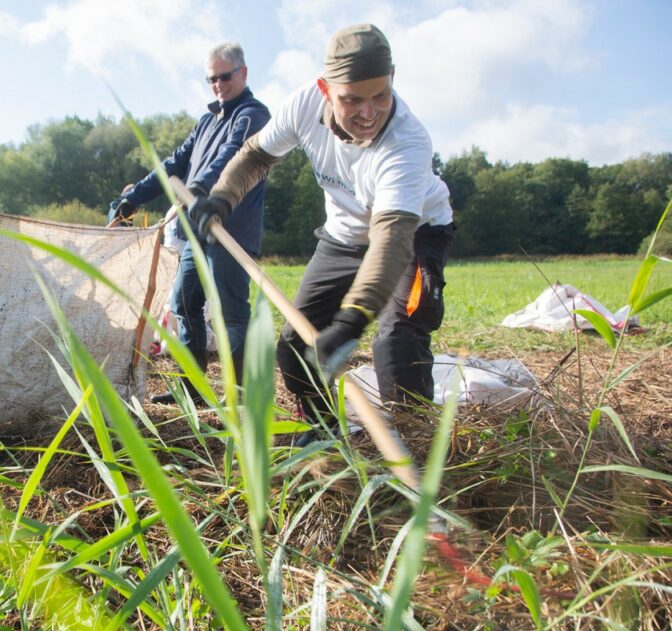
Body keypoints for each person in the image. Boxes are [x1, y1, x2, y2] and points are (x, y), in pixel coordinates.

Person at [190, 24, 455, 436]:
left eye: (381, 95)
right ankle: (329, 438)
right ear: (325, 87)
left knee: (397, 344)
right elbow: (255, 156)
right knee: (296, 351)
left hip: (414, 234)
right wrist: (222, 198)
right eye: (352, 99)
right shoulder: (304, 105)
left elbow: (390, 242)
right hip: (344, 236)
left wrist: (350, 324)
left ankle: (417, 448)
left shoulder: (408, 143)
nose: (369, 113)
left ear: (392, 81)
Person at [108, 42, 270, 405]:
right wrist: (134, 197)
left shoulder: (253, 115)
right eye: (211, 78)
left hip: (229, 229)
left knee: (231, 313)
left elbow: (232, 157)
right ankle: (193, 389)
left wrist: (198, 188)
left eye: (224, 77)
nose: (217, 85)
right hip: (193, 231)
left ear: (243, 73)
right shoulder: (207, 120)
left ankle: (240, 395)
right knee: (184, 303)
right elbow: (173, 163)